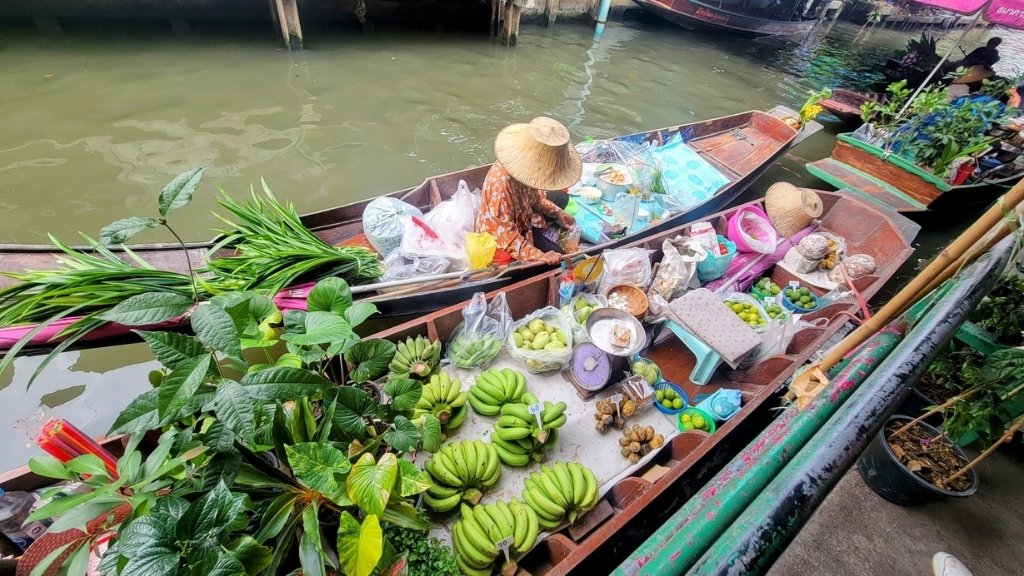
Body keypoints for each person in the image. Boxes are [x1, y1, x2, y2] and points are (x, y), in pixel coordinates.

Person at [475, 117, 581, 266]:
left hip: (524, 216)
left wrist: (560, 213)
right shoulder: (501, 187)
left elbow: (535, 198)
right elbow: (507, 237)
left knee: (561, 198)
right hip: (503, 235)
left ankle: (542, 232)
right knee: (560, 260)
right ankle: (538, 243)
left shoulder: (526, 172)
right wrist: (540, 256)